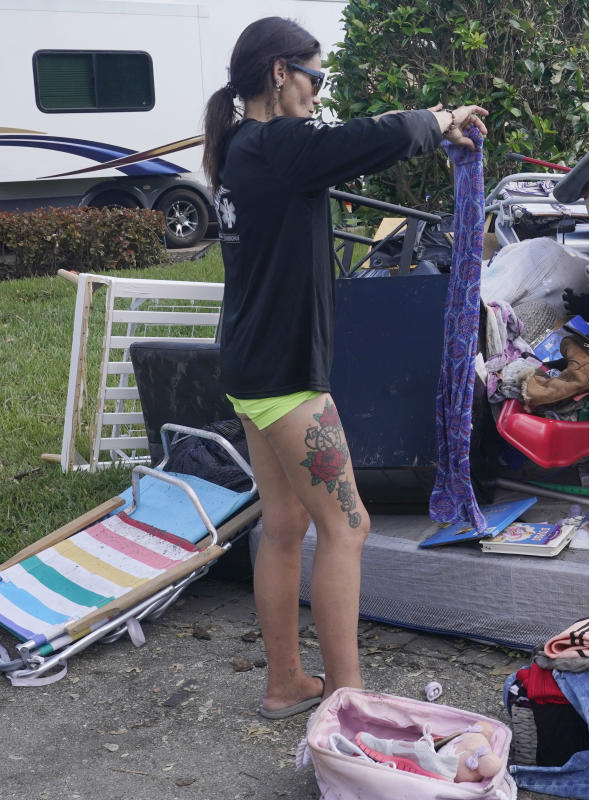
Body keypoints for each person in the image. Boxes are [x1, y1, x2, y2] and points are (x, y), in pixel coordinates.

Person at [201, 16, 487, 718]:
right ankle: (349, 700)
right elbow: (369, 138)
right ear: (280, 73)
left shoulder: (241, 148)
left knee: (287, 520)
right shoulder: (277, 145)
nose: (317, 93)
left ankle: (286, 684)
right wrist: (442, 117)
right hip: (286, 376)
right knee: (348, 525)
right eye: (315, 76)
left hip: (248, 366)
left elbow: (350, 138)